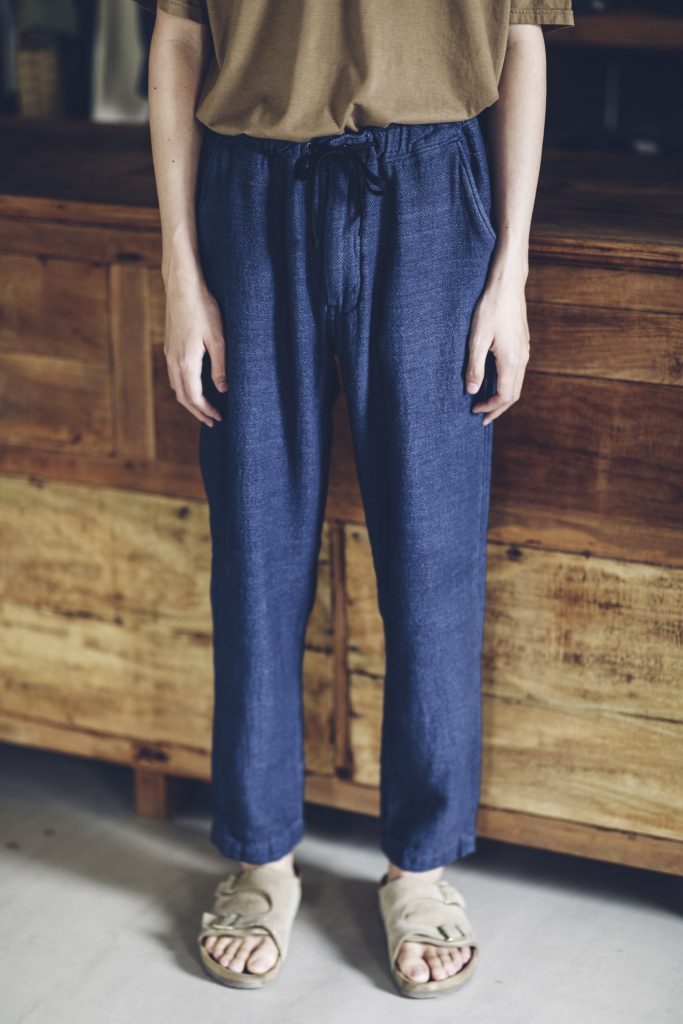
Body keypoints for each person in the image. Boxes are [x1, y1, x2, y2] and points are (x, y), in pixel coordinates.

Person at [134, 0, 573, 1000]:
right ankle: (260, 859)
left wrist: (510, 271)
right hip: (247, 193)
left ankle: (419, 868)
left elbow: (519, 39)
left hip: (433, 196)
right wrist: (177, 268)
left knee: (432, 561)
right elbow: (179, 35)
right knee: (255, 551)